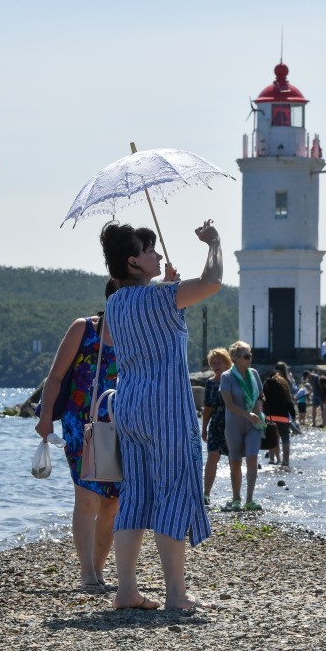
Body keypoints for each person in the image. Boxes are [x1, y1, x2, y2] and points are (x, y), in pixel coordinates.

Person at [100, 218, 222, 611]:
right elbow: (212, 281)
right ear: (133, 262)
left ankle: (126, 590)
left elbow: (109, 338)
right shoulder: (158, 299)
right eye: (149, 250)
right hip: (165, 405)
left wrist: (165, 289)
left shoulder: (115, 301)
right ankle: (175, 594)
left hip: (130, 404)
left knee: (134, 494)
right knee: (173, 490)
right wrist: (214, 243)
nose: (156, 255)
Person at [35, 282, 120, 593]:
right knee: (87, 498)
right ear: (113, 297)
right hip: (83, 421)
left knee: (112, 502)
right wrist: (45, 419)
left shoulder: (136, 333)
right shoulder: (84, 328)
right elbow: (56, 375)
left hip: (122, 424)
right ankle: (87, 572)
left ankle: (98, 569)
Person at [220, 340, 265, 511]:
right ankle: (236, 498)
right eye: (246, 356)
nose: (250, 359)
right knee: (236, 461)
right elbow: (229, 404)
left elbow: (260, 395)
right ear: (236, 358)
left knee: (253, 457)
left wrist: (257, 409)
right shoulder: (227, 377)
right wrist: (248, 414)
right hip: (234, 423)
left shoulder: (254, 373)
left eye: (250, 355)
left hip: (254, 424)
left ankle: (250, 499)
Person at [201, 347, 232, 506]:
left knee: (235, 460)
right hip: (216, 424)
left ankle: (236, 497)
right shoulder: (210, 383)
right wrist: (204, 427)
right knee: (212, 457)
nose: (216, 365)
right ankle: (206, 493)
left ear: (227, 363)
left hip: (233, 423)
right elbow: (207, 407)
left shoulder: (234, 379)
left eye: (219, 362)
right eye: (213, 363)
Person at [262, 368, 296, 467]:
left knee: (273, 438)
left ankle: (276, 460)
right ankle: (286, 461)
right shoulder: (283, 386)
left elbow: (263, 400)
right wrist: (293, 415)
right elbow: (289, 401)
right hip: (283, 417)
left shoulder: (266, 385)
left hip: (270, 416)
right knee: (285, 439)